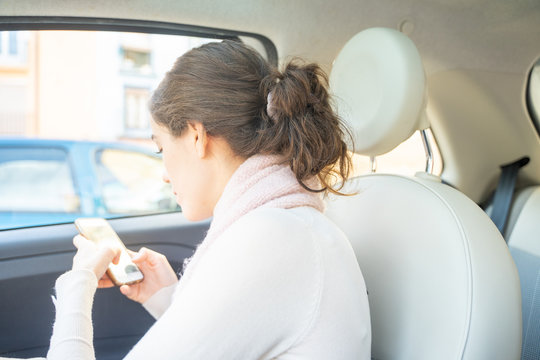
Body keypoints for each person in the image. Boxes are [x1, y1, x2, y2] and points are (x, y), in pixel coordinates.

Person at [2, 40, 371, 359]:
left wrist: (76, 285)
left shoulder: (273, 240)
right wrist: (168, 297)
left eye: (161, 147)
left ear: (196, 136)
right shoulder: (281, 227)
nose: (164, 172)